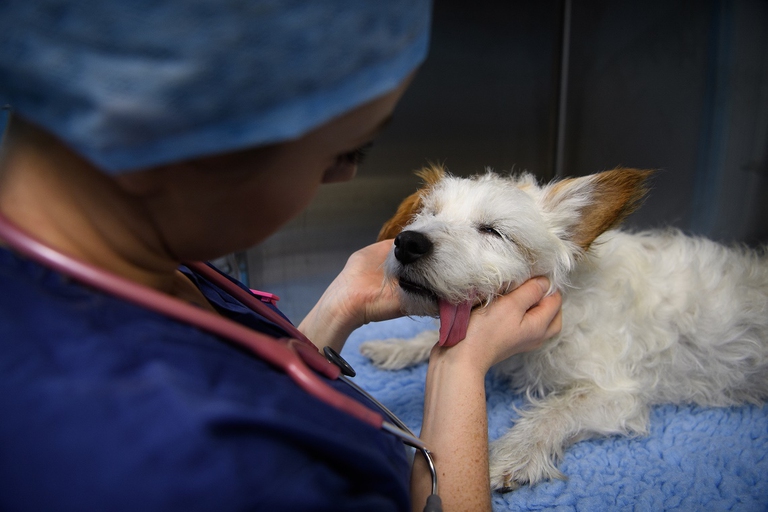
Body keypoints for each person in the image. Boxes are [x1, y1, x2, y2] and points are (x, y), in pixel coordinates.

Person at [0, 2, 562, 511]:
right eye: (346, 151)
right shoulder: (187, 465)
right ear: (148, 138)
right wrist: (459, 365)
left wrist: (340, 308)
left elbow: (249, 378)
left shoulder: (129, 252)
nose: (345, 176)